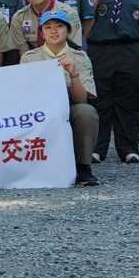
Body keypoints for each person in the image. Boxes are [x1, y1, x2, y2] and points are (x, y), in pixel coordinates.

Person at [87, 0, 139, 164]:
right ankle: (97, 148)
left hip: (130, 49)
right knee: (99, 100)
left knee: (131, 99)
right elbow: (82, 18)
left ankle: (129, 148)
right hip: (100, 50)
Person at [20, 10, 100, 186]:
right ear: (41, 33)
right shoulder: (29, 58)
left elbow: (82, 100)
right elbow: (24, 96)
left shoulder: (80, 57)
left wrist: (73, 74)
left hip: (70, 105)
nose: (53, 31)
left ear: (68, 30)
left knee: (86, 112)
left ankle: (83, 168)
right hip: (39, 110)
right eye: (47, 27)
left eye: (59, 26)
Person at [9, 0, 83, 57]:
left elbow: (74, 50)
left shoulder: (69, 14)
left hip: (65, 61)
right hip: (33, 63)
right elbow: (23, 52)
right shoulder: (19, 18)